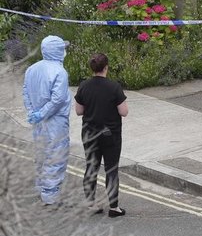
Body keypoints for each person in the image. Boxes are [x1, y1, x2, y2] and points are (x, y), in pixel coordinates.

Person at [75, 53, 128, 218]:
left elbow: (79, 111)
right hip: (110, 134)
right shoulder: (114, 87)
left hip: (90, 134)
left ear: (92, 68)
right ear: (106, 67)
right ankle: (114, 207)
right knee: (111, 169)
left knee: (91, 168)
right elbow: (124, 112)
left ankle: (91, 204)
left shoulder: (84, 86)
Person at [22, 35, 71, 205]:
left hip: (38, 121)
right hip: (55, 121)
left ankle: (40, 187)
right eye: (63, 48)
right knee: (56, 155)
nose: (65, 51)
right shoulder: (60, 72)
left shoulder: (31, 69)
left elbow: (26, 92)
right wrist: (43, 113)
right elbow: (58, 99)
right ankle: (50, 196)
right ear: (58, 50)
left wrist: (33, 113)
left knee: (41, 153)